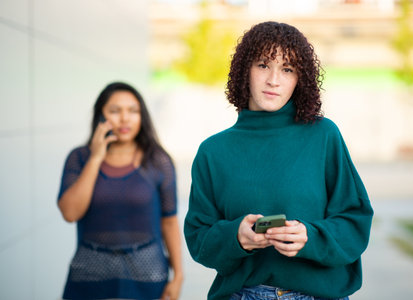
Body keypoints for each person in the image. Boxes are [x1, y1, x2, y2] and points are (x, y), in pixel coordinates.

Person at [184, 21, 373, 300]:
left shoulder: (323, 136)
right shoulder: (213, 152)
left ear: (300, 79)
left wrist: (311, 237)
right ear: (244, 70)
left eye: (287, 69)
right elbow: (199, 238)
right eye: (263, 65)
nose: (274, 80)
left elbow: (355, 221)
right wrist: (236, 237)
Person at [57, 82, 183, 300]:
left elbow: (169, 222)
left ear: (142, 116)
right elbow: (70, 213)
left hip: (148, 274)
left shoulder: (158, 161)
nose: (125, 119)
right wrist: (96, 157)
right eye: (115, 111)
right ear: (100, 116)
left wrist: (178, 276)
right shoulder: (79, 158)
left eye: (133, 111)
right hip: (89, 274)